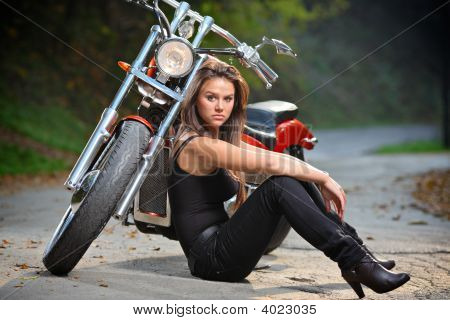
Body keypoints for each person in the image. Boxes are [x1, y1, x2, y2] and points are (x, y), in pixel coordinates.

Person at [167, 57, 410, 299]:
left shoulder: (217, 139)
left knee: (294, 174)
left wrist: (317, 177)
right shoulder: (196, 146)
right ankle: (355, 262)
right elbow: (272, 163)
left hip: (224, 244)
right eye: (211, 98)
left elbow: (275, 158)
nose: (220, 106)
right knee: (280, 184)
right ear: (195, 99)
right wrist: (324, 178)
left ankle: (359, 255)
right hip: (211, 260)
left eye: (227, 99)